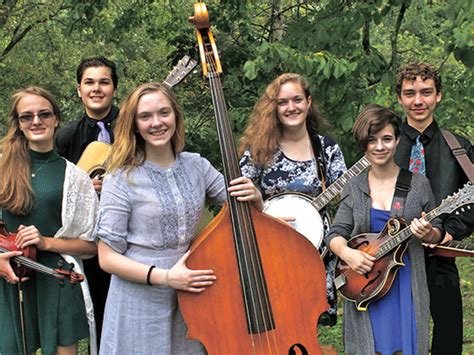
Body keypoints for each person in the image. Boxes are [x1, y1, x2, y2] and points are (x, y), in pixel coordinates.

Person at [94, 82, 263, 354]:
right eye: (145, 116)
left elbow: (242, 214)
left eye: (164, 113)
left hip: (192, 293)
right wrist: (166, 277)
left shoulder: (197, 165)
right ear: (135, 125)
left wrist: (256, 197)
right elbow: (107, 257)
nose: (157, 122)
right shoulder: (121, 178)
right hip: (139, 297)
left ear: (176, 115)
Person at [326, 104, 443, 354]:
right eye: (372, 140)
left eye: (387, 139)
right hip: (366, 282)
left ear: (397, 139)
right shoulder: (353, 186)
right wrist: (348, 254)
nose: (380, 147)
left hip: (406, 283)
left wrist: (428, 233)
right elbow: (335, 234)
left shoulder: (419, 185)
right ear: (363, 143)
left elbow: (437, 230)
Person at [239, 73, 347, 325]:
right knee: (278, 325)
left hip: (317, 257)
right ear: (273, 108)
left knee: (311, 331)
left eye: (297, 99)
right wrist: (263, 212)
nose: (291, 107)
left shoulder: (326, 148)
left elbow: (347, 200)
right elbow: (236, 200)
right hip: (272, 254)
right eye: (283, 102)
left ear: (308, 102)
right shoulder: (259, 150)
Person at [0, 87, 99, 355]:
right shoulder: (2, 167)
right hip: (8, 280)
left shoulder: (76, 177)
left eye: (44, 114)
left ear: (56, 118)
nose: (36, 121)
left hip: (56, 279)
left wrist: (45, 241)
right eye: (26, 116)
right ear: (18, 124)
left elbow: (92, 246)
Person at [393, 62, 473, 355]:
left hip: (440, 258)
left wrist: (448, 233)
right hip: (391, 262)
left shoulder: (458, 147)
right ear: (400, 98)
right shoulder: (386, 145)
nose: (418, 101)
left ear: (438, 96)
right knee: (395, 340)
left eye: (426, 92)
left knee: (448, 339)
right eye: (410, 93)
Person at [55, 56, 118, 340]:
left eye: (104, 82)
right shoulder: (65, 136)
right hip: (89, 237)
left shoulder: (135, 129)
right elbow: (55, 184)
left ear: (114, 88)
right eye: (89, 82)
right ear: (79, 89)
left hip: (129, 232)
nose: (96, 88)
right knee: (100, 312)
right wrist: (83, 188)